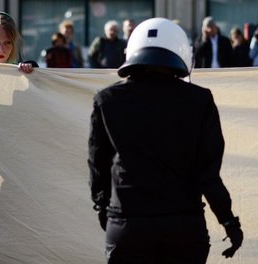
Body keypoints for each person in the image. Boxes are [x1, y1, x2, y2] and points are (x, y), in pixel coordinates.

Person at [88, 17, 243, 263]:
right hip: (183, 228)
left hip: (127, 225)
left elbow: (98, 166)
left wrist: (102, 208)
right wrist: (228, 220)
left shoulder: (106, 100)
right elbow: (208, 175)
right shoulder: (200, 100)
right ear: (181, 53)